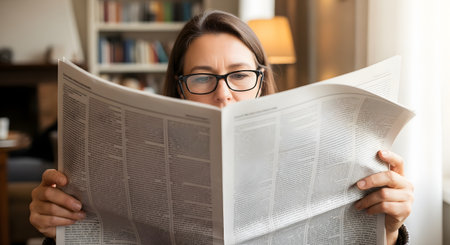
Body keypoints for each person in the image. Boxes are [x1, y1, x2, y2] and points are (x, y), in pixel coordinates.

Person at [29, 10, 413, 245]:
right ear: (179, 88)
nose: (224, 95)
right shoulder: (133, 166)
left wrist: (390, 232)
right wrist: (57, 232)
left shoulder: (320, 156)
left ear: (262, 80)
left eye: (239, 75)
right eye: (201, 78)